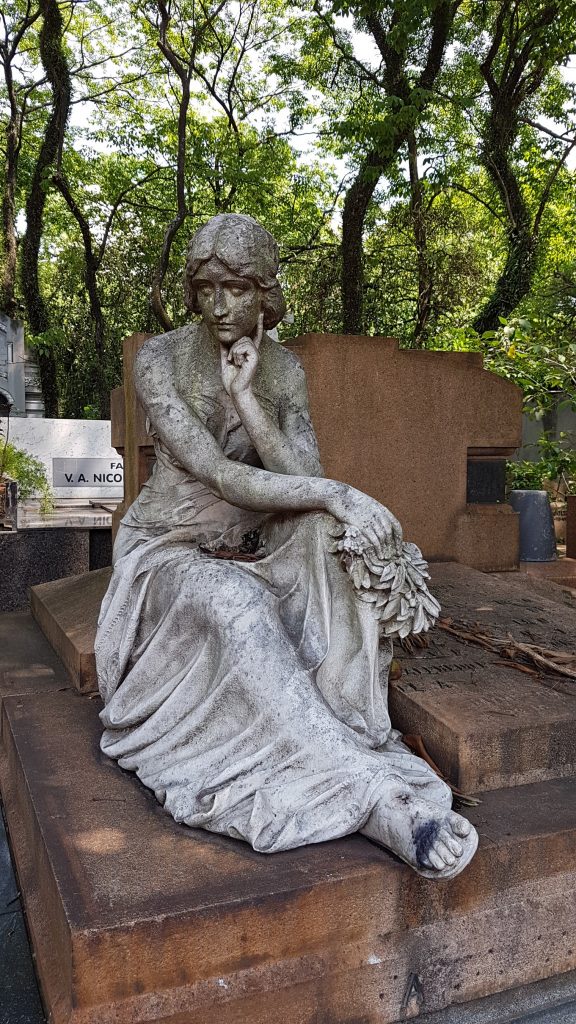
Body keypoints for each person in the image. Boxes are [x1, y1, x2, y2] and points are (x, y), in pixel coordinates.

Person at [95, 213, 478, 879]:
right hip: (168, 550)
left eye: (238, 288)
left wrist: (248, 400)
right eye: (207, 287)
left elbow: (299, 472)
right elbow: (213, 472)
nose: (219, 305)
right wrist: (337, 493)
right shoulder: (161, 359)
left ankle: (339, 727)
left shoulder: (282, 371)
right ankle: (368, 794)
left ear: (266, 292)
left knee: (326, 532)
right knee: (239, 598)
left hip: (253, 542)